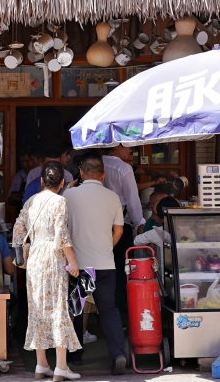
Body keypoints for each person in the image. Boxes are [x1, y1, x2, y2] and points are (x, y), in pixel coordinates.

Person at [13, 162, 81, 381]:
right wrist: (73, 263)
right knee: (59, 308)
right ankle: (61, 366)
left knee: (37, 310)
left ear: (41, 181)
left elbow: (17, 229)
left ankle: (41, 364)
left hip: (34, 257)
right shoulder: (60, 201)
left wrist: (21, 256)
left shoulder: (31, 201)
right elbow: (62, 234)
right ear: (62, 183)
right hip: (53, 256)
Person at [63, 155, 127, 374]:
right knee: (109, 310)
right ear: (103, 175)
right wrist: (107, 247)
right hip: (105, 263)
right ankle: (118, 354)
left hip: (79, 265)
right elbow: (119, 230)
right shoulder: (112, 197)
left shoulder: (69, 195)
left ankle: (75, 356)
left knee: (76, 310)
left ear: (81, 173)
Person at [101, 144, 144, 320]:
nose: (130, 152)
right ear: (117, 146)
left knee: (98, 269)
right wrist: (139, 222)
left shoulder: (96, 163)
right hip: (121, 225)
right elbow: (132, 200)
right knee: (120, 271)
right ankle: (118, 314)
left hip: (97, 226)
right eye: (128, 148)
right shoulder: (123, 168)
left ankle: (99, 312)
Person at [22, 139, 74, 203]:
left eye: (56, 165)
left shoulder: (66, 186)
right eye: (49, 165)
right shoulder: (32, 187)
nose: (53, 168)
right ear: (41, 164)